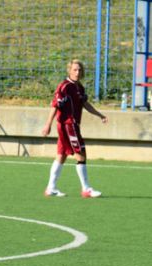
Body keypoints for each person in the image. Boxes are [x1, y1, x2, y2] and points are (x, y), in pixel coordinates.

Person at [41, 59, 108, 198]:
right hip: (68, 125)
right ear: (69, 71)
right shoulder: (64, 86)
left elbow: (85, 104)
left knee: (62, 155)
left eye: (80, 70)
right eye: (75, 70)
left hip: (71, 124)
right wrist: (47, 124)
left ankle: (51, 188)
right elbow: (55, 105)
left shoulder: (79, 87)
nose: (77, 72)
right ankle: (86, 189)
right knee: (81, 154)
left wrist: (99, 115)